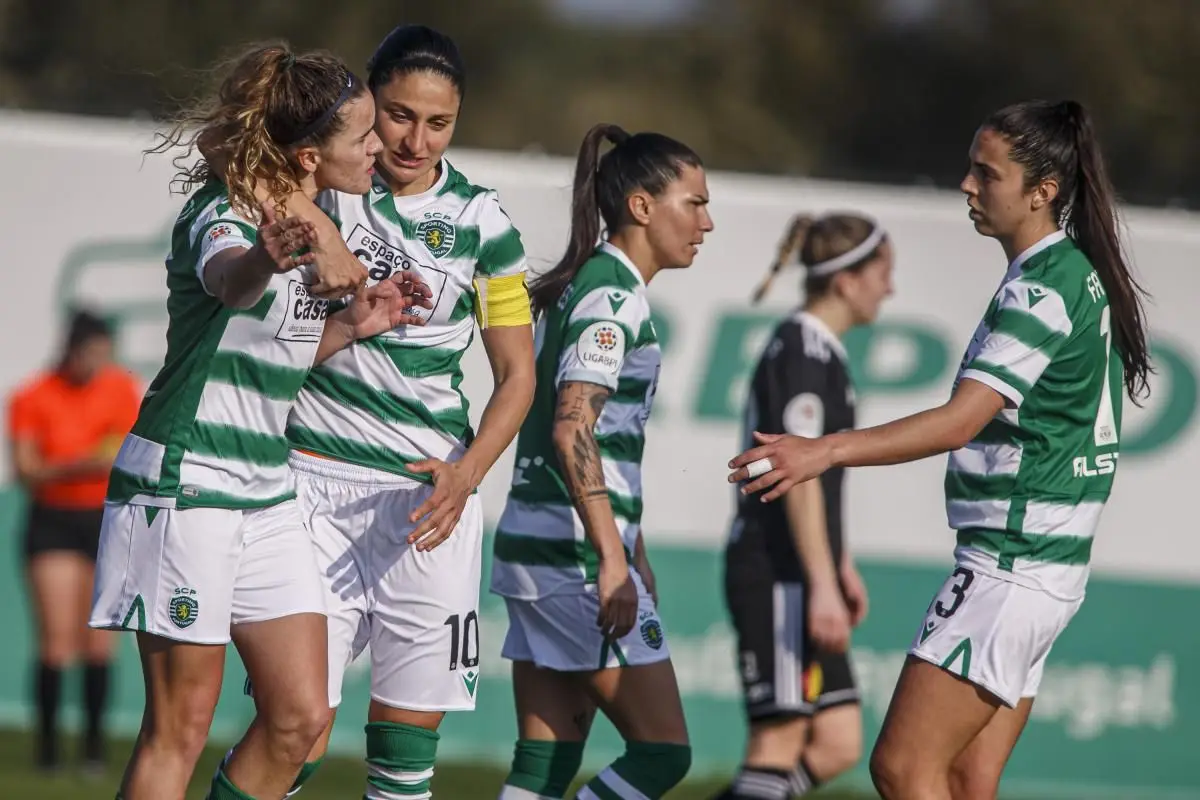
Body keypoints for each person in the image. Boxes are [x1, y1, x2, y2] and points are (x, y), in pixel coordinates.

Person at [728, 99, 1151, 800]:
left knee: (900, 768)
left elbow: (960, 421)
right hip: (1042, 570)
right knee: (965, 776)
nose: (966, 185)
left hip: (1010, 566)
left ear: (1043, 191)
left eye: (986, 174)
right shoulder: (1071, 274)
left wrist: (824, 451)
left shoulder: (1045, 285)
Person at [87, 43, 430, 800]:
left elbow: (279, 356)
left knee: (301, 716)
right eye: (364, 136)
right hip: (186, 482)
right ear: (309, 155)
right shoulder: (226, 213)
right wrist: (262, 262)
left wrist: (353, 326)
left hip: (264, 490)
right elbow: (228, 282)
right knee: (179, 727)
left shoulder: (315, 212)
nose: (379, 148)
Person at [274, 25, 537, 799]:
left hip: (426, 501)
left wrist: (465, 477)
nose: (415, 139)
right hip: (307, 488)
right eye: (397, 115)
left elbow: (517, 375)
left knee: (403, 750)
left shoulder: (486, 225)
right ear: (368, 101)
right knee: (294, 733)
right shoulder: (317, 186)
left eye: (438, 122)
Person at [489, 122, 713, 800]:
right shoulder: (612, 295)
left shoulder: (588, 283)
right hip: (576, 561)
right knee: (662, 755)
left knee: (544, 764)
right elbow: (571, 429)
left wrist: (631, 547)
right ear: (641, 206)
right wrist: (612, 558)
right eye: (695, 203)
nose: (708, 222)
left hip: (537, 549)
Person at [715, 213, 894, 800]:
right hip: (777, 572)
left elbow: (820, 474)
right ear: (846, 281)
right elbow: (795, 477)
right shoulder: (801, 350)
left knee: (840, 741)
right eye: (882, 273)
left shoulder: (824, 354)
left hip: (803, 571)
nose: (889, 289)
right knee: (778, 742)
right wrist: (821, 582)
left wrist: (839, 566)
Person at [7, 309, 141, 773]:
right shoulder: (33, 396)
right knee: (57, 642)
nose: (98, 363)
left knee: (99, 642)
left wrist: (95, 461)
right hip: (54, 521)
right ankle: (47, 753)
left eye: (104, 354)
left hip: (105, 520)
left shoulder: (120, 388)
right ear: (71, 350)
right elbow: (28, 471)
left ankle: (93, 752)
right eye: (91, 354)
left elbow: (128, 449)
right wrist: (79, 464)